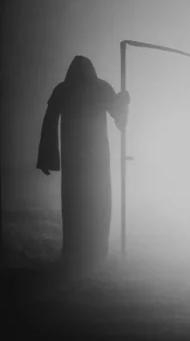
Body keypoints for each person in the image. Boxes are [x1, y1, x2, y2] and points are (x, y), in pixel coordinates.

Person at [36, 55, 130, 272]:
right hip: (92, 158)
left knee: (81, 203)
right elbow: (119, 117)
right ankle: (90, 253)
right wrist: (122, 102)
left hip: (77, 159)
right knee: (91, 203)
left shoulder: (64, 89)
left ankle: (84, 253)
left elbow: (49, 121)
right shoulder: (99, 88)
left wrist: (121, 101)